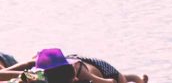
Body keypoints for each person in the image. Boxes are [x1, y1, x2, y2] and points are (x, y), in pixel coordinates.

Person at [0, 49, 147, 83]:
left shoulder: (81, 72)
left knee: (122, 79)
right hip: (62, 62)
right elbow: (19, 76)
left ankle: (137, 78)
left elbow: (110, 82)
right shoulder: (41, 74)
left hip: (103, 69)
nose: (75, 80)